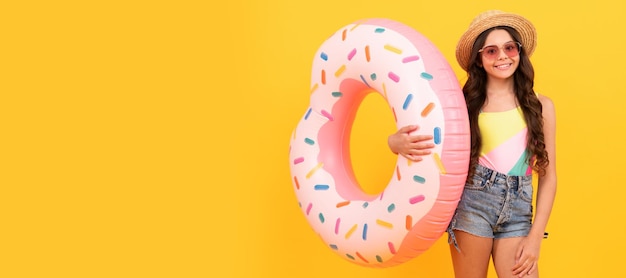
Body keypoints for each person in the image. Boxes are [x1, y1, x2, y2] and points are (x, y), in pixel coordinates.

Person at [388, 10, 557, 278]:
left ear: (519, 52)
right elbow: (426, 141)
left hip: (519, 209)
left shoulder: (540, 106)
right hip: (473, 204)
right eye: (491, 51)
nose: (502, 56)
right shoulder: (462, 104)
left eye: (509, 47)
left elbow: (549, 176)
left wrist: (536, 236)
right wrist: (393, 142)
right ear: (479, 59)